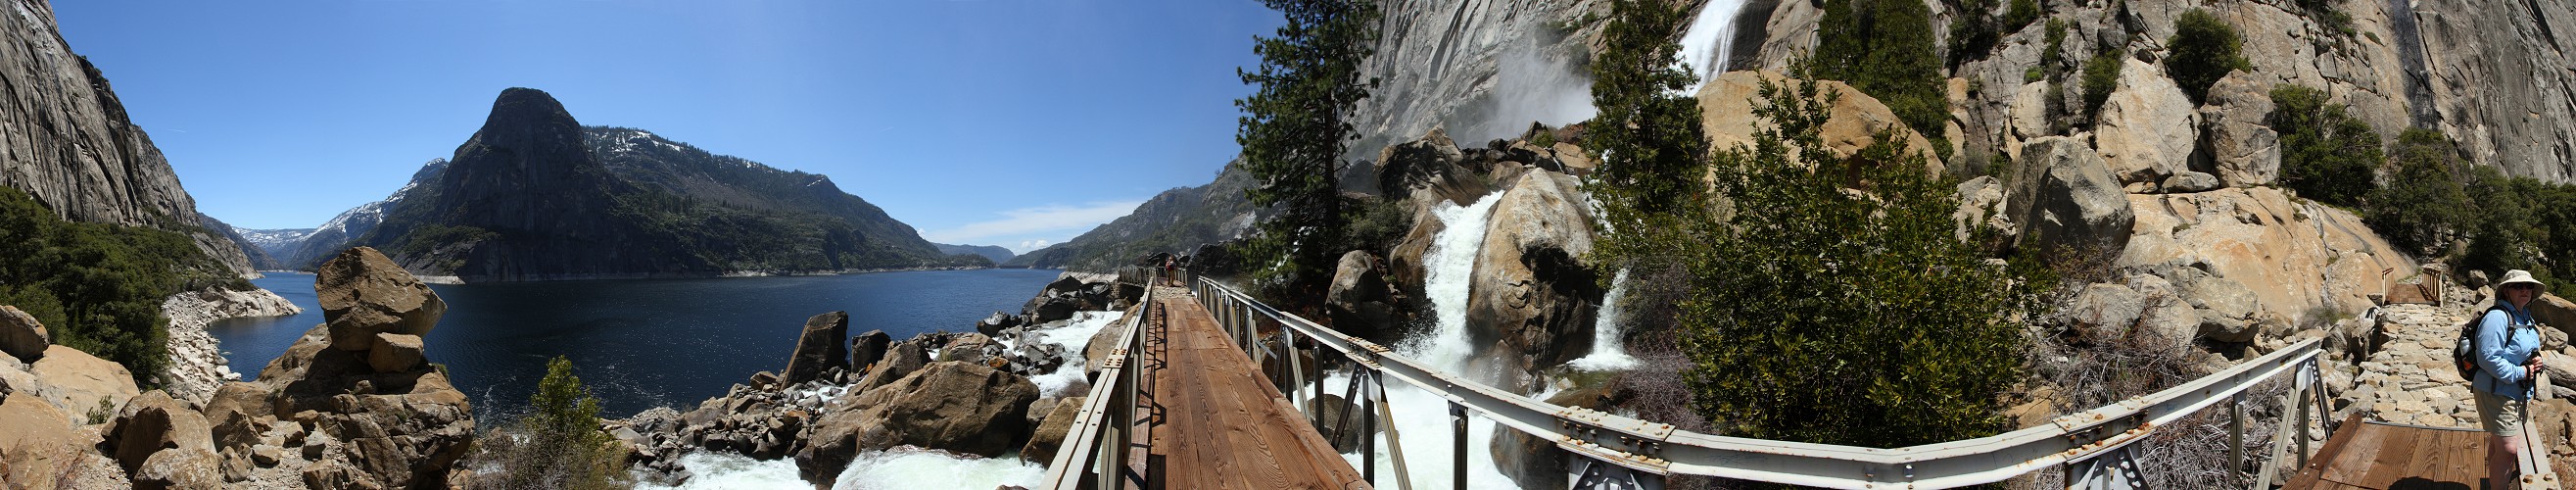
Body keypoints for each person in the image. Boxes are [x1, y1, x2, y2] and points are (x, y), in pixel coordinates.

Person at [2476, 270, 2550, 489]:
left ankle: (2493, 478)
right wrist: (2522, 373)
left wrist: (2537, 361)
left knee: (2500, 441)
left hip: (2514, 391)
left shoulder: (2525, 316)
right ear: (2506, 290)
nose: (2525, 290)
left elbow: (2529, 348)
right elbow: (2487, 357)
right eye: (2518, 286)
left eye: (2528, 286)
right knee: (2509, 449)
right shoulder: (2497, 316)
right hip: (2496, 390)